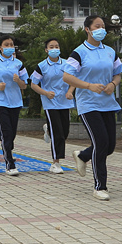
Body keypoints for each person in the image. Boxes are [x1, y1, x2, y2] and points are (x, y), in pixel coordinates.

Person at [63, 16, 122, 200]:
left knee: (110, 146)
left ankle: (82, 156)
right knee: (100, 142)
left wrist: (113, 83)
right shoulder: (79, 52)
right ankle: (100, 186)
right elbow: (67, 77)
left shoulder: (110, 51)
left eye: (103, 26)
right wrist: (88, 86)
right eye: (97, 26)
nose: (101, 29)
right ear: (87, 29)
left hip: (107, 103)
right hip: (88, 104)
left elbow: (118, 74)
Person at [0, 35, 28, 176]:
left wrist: (18, 81)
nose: (9, 47)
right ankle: (10, 164)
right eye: (6, 45)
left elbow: (25, 85)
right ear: (0, 47)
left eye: (11, 45)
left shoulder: (19, 64)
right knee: (7, 133)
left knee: (11, 133)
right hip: (0, 102)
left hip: (15, 102)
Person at [30, 37, 75, 174]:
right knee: (58, 134)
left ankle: (48, 130)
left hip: (65, 102)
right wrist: (45, 93)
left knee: (65, 132)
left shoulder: (67, 64)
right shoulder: (42, 66)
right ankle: (55, 163)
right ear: (46, 50)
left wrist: (70, 91)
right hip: (50, 103)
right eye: (51, 47)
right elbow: (33, 84)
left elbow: (74, 80)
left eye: (56, 46)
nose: (54, 49)